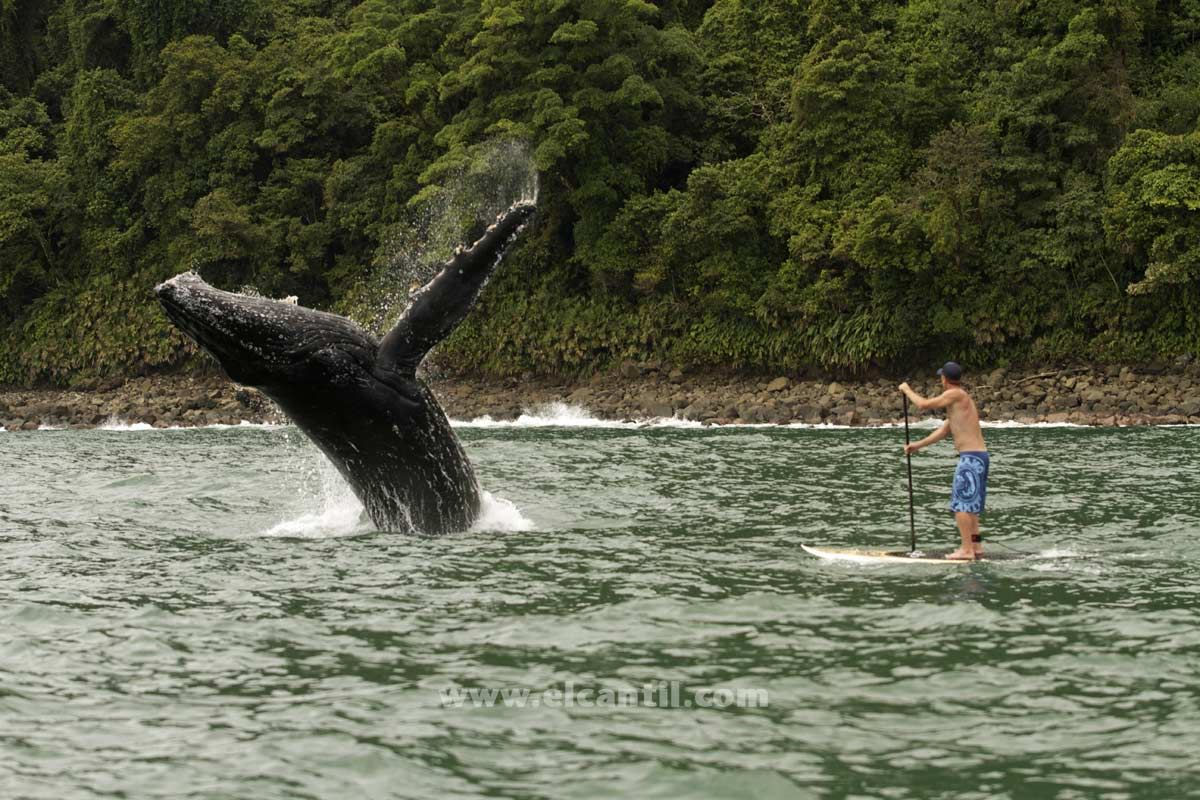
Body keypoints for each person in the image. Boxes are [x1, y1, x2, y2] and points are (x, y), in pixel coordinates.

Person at [899, 362, 989, 560]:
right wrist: (918, 445)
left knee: (962, 506)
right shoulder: (959, 401)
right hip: (978, 457)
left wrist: (906, 390)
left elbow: (923, 405)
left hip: (971, 458)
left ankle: (966, 550)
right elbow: (944, 430)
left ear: (944, 379)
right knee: (971, 507)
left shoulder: (955, 394)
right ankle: (976, 546)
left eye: (941, 377)